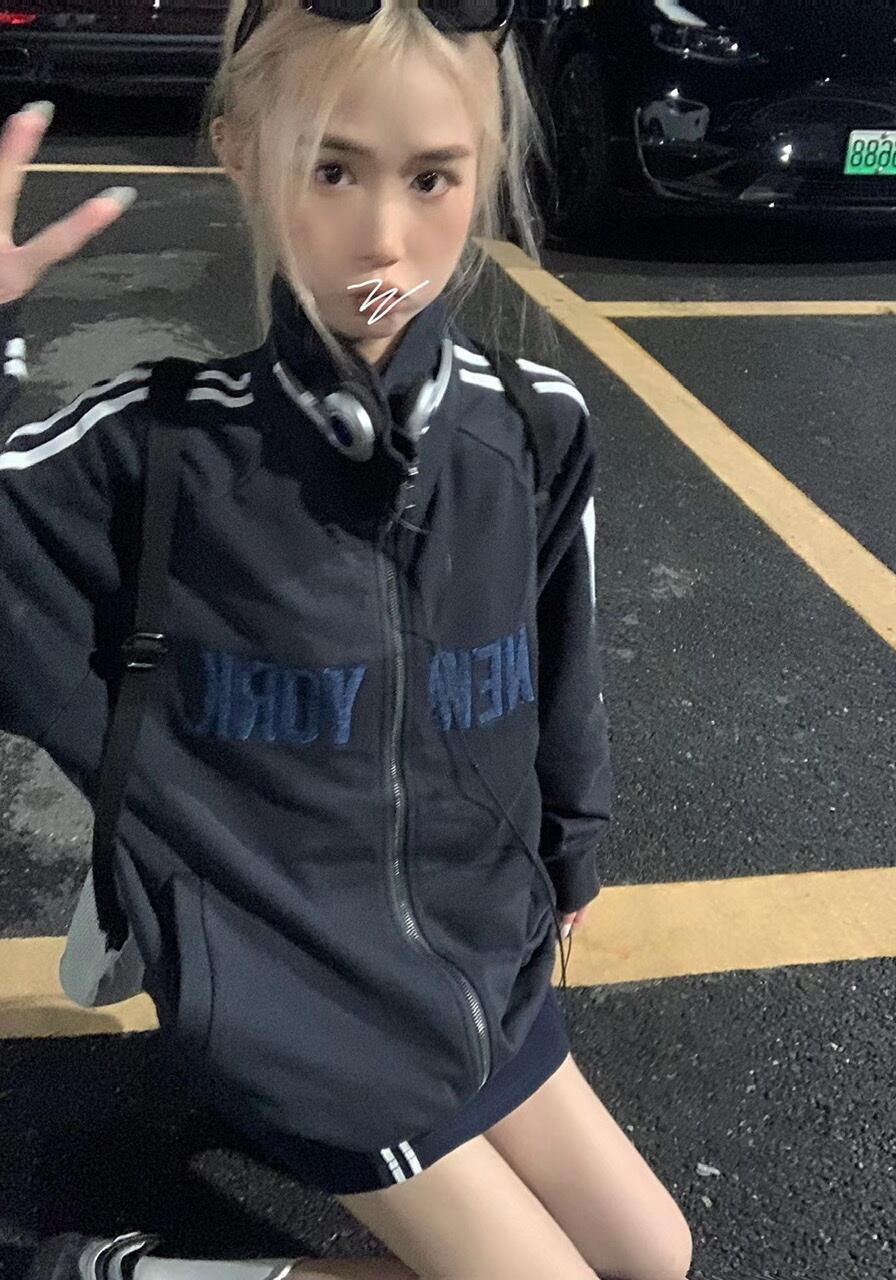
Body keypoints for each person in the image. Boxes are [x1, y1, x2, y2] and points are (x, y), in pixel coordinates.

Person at [4, 2, 694, 1278]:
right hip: (296, 1003)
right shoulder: (154, 458)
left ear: (487, 170)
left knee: (659, 1254)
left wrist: (571, 849)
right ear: (241, 152)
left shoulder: (533, 427)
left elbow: (564, 666)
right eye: (332, 169)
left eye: (433, 178)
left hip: (482, 963)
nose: (383, 235)